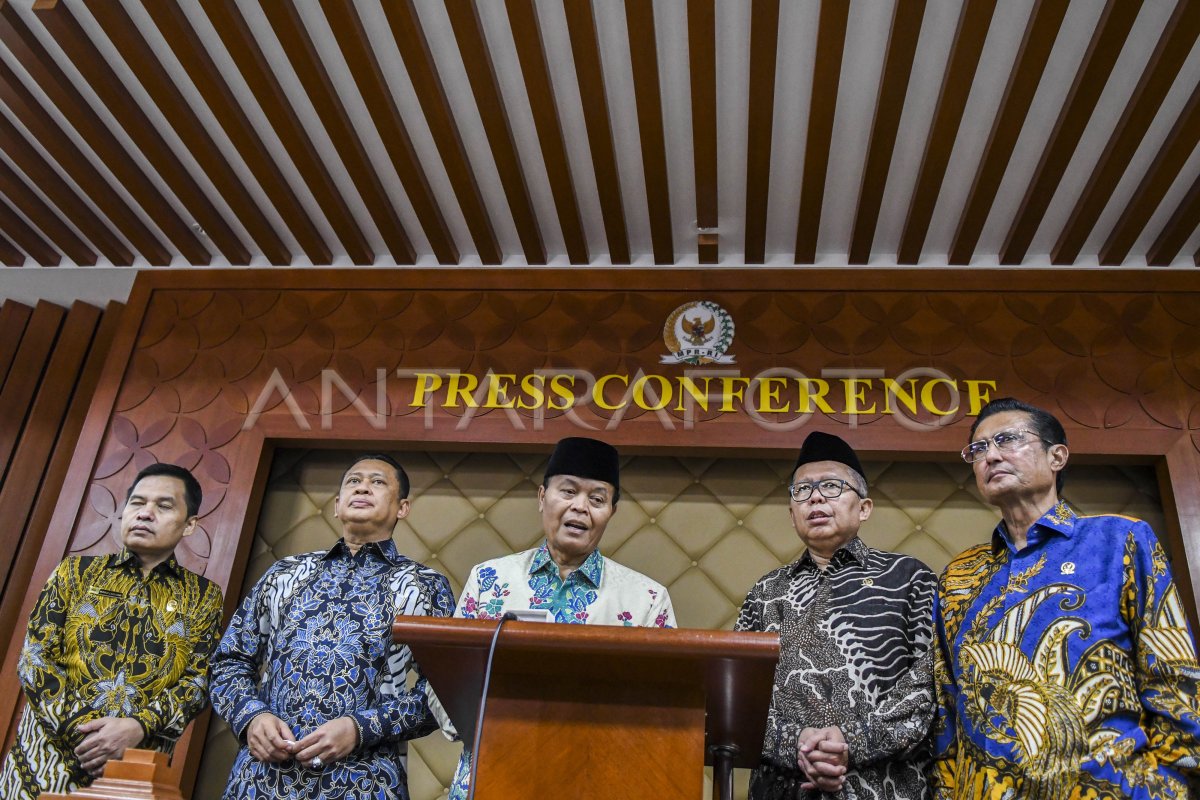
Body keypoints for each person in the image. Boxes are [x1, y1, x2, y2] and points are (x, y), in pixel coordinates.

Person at [933, 397, 1200, 798]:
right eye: (978, 449)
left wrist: (1167, 787)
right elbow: (946, 701)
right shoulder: (960, 574)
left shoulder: (1119, 539)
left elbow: (1174, 675)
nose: (990, 455)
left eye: (1006, 439)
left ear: (1056, 456)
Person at [441, 436, 676, 800]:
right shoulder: (489, 580)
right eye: (567, 492)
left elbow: (665, 710)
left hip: (600, 780)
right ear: (541, 497)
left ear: (612, 511)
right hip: (494, 774)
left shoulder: (647, 599)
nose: (580, 507)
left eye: (597, 499)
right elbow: (446, 683)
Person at [209, 453, 454, 800]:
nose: (363, 487)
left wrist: (359, 728)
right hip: (260, 780)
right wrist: (251, 717)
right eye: (353, 481)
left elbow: (445, 691)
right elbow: (229, 661)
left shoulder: (423, 585)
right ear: (337, 505)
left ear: (403, 508)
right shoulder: (285, 574)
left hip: (364, 783)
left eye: (378, 482)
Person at [0, 463, 224, 799]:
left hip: (133, 771)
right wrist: (89, 735)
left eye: (163, 506)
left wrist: (138, 726)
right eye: (137, 502)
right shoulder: (75, 572)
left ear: (189, 524)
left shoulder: (204, 596)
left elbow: (198, 680)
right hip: (42, 768)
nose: (145, 514)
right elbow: (36, 660)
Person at [736, 431, 936, 799]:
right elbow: (739, 701)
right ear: (791, 513)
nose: (814, 497)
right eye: (802, 491)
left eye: (831, 486)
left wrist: (850, 743)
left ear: (864, 508)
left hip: (885, 786)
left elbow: (928, 689)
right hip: (781, 787)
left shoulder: (910, 579)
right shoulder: (765, 593)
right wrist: (796, 744)